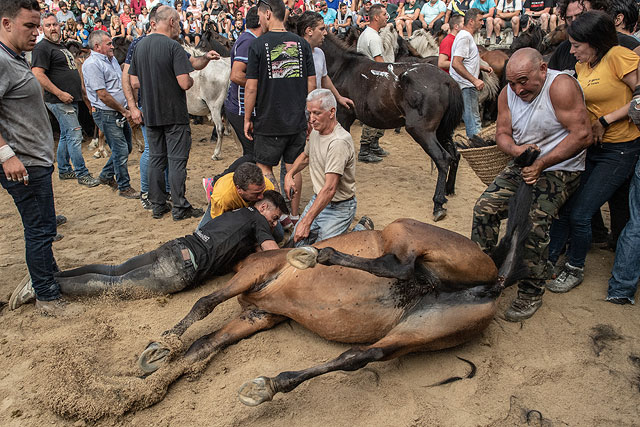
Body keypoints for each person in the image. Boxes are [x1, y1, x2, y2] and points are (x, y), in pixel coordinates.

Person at [472, 48, 592, 321]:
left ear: (543, 69)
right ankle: (483, 273)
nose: (517, 88)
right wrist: (516, 150)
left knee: (533, 223)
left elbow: (582, 134)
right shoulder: (507, 94)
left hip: (561, 167)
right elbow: (502, 133)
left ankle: (531, 291)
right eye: (512, 82)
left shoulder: (560, 86)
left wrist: (543, 163)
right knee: (484, 208)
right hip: (524, 162)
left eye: (523, 81)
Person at [10, 191, 289, 305]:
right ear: (263, 207)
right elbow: (271, 253)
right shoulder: (257, 220)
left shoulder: (237, 212)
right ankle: (42, 287)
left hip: (177, 246)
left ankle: (51, 279)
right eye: (274, 217)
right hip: (180, 267)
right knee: (115, 286)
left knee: (114, 270)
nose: (274, 223)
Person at [546, 11, 640, 294]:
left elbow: (639, 96)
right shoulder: (584, 66)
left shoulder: (618, 57)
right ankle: (549, 260)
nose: (571, 50)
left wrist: (605, 120)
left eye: (576, 45)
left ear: (595, 41)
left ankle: (575, 268)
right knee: (567, 205)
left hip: (621, 148)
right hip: (593, 148)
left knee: (582, 212)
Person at [1, 0, 66, 315]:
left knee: (44, 226)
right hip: (22, 163)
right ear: (6, 23)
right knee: (40, 228)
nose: (37, 32)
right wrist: (6, 155)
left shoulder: (15, 58)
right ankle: (47, 297)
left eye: (38, 25)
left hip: (33, 160)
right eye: (29, 25)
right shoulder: (1, 60)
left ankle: (46, 278)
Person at [129, 5, 220, 220]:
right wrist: (185, 79)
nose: (180, 26)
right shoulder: (173, 47)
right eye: (178, 22)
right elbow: (184, 82)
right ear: (171, 22)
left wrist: (206, 57)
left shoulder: (140, 47)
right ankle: (180, 207)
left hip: (151, 113)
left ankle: (158, 205)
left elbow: (134, 82)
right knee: (177, 161)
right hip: (173, 113)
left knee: (156, 160)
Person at [243, 0, 316, 222]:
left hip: (269, 119)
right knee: (294, 168)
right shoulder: (302, 44)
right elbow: (311, 84)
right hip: (296, 119)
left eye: (259, 15)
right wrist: (309, 115)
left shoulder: (257, 45)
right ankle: (294, 215)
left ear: (267, 14)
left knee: (265, 168)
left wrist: (247, 118)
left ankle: (277, 216)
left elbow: (251, 87)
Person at [285, 89, 372, 246]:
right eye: (309, 113)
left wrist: (306, 222)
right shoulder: (316, 132)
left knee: (320, 253)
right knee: (294, 245)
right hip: (317, 199)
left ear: (332, 112)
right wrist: (289, 174)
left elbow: (330, 189)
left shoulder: (338, 142)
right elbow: (306, 156)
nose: (311, 119)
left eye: (317, 113)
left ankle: (360, 230)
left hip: (339, 207)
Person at [31, 13, 101, 188]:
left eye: (55, 24)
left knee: (66, 134)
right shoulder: (42, 48)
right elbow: (38, 74)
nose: (53, 28)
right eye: (48, 25)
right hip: (59, 100)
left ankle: (63, 169)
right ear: (42, 28)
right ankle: (82, 174)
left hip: (70, 99)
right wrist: (60, 93)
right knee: (75, 135)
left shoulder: (60, 46)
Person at [83, 30, 139, 198]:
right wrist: (124, 110)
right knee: (121, 149)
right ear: (97, 46)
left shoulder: (111, 59)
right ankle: (124, 187)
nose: (112, 46)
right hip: (107, 113)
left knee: (126, 147)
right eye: (108, 44)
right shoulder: (92, 64)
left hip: (117, 111)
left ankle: (106, 175)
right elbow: (103, 94)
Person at [296, 11, 354, 109]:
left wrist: (339, 97)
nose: (325, 33)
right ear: (309, 31)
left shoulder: (319, 53)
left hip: (315, 110)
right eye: (322, 29)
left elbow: (324, 77)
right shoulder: (293, 56)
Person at [450, 8, 492, 139]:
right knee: (473, 120)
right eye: (480, 20)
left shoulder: (464, 36)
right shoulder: (465, 37)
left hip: (465, 84)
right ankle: (477, 150)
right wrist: (474, 80)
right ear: (471, 21)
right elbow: (456, 63)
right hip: (466, 85)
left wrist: (482, 67)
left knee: (471, 118)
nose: (482, 23)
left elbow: (466, 61)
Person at [356, 3, 390, 163]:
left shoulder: (366, 34)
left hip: (365, 80)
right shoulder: (373, 37)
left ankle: (374, 144)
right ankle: (365, 149)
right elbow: (380, 63)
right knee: (375, 114)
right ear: (376, 17)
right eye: (384, 14)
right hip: (373, 82)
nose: (386, 17)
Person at [198, 162, 276, 228]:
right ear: (239, 189)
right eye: (256, 193)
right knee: (202, 236)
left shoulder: (268, 187)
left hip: (251, 207)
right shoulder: (222, 198)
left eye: (262, 191)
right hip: (224, 205)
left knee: (279, 235)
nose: (261, 197)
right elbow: (219, 225)